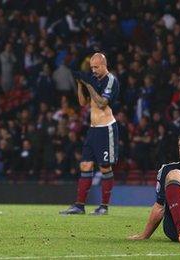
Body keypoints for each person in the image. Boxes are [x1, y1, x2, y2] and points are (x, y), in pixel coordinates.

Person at [60, 53, 119, 215]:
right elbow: (82, 103)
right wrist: (80, 84)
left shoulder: (110, 80)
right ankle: (79, 205)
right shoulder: (94, 80)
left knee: (105, 167)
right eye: (91, 67)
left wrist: (89, 84)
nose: (93, 70)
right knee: (85, 165)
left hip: (106, 128)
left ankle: (104, 207)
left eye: (96, 67)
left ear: (104, 65)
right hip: (93, 129)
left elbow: (101, 103)